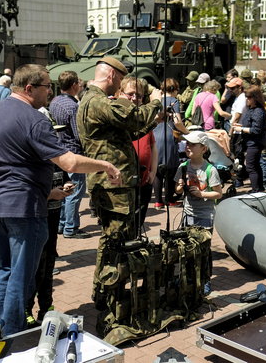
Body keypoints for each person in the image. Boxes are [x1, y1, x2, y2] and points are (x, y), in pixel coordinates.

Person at [0, 64, 121, 336]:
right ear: (30, 88)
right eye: (47, 86)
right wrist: (104, 164)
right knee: (21, 276)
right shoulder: (34, 119)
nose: (51, 92)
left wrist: (46, 192)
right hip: (24, 208)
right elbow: (68, 161)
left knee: (1, 271)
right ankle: (10, 334)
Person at [76, 57, 160, 335]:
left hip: (113, 185)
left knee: (112, 242)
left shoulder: (92, 100)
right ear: (112, 75)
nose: (121, 84)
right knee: (116, 244)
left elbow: (131, 129)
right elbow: (133, 117)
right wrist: (156, 101)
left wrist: (152, 117)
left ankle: (104, 293)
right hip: (114, 187)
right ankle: (111, 306)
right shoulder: (98, 101)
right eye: (121, 78)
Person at [174, 130, 222, 294]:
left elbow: (218, 193)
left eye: (193, 144)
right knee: (187, 249)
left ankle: (205, 279)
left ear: (203, 148)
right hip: (188, 215)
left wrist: (202, 194)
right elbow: (177, 190)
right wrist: (179, 188)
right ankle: (188, 277)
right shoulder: (183, 167)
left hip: (205, 216)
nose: (188, 147)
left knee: (203, 250)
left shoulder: (210, 170)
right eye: (187, 144)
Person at [26, 165, 70, 325]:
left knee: (48, 266)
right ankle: (26, 308)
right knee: (35, 268)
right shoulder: (33, 159)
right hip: (36, 219)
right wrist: (52, 194)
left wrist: (67, 186)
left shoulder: (57, 160)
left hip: (53, 218)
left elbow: (65, 177)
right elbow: (26, 193)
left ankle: (46, 308)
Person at [49, 70, 89, 238]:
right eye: (79, 84)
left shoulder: (55, 101)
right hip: (73, 152)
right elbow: (79, 133)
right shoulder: (73, 107)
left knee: (65, 190)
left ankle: (62, 224)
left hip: (60, 151)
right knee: (74, 192)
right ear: (74, 85)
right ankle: (70, 228)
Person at [118, 77, 158, 226]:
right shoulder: (118, 116)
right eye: (130, 94)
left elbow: (153, 147)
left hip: (144, 179)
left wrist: (153, 172)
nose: (135, 98)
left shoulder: (144, 119)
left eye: (139, 95)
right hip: (125, 183)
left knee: (139, 222)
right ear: (121, 93)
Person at [153, 78, 188, 208]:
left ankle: (158, 201)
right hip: (168, 136)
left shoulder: (156, 101)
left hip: (155, 135)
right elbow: (177, 121)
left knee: (157, 169)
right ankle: (169, 199)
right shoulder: (174, 101)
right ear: (174, 89)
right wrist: (187, 132)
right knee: (170, 169)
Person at [232, 87, 266, 193]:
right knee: (254, 165)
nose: (247, 99)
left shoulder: (258, 111)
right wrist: (241, 126)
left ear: (255, 98)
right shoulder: (251, 109)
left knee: (251, 167)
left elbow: (256, 130)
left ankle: (256, 189)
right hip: (250, 142)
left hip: (255, 143)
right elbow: (250, 125)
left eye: (249, 97)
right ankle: (259, 188)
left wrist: (241, 129)